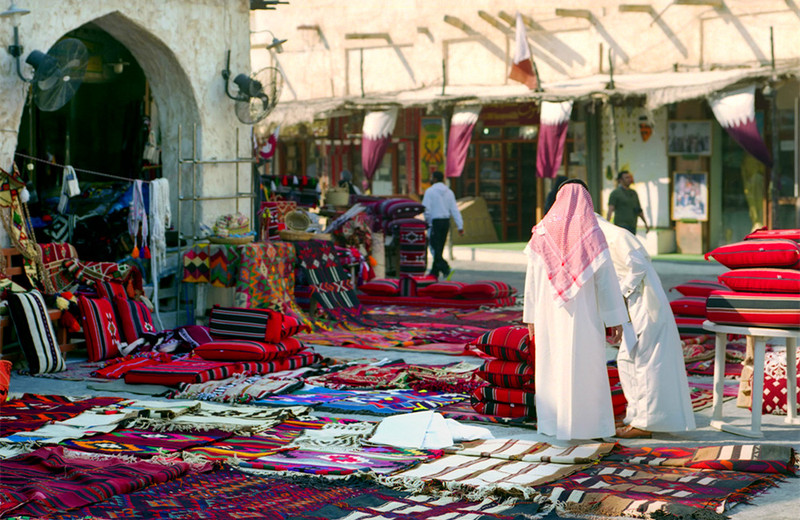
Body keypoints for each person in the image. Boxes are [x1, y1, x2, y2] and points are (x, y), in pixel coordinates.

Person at [523, 179, 628, 441]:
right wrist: (613, 319)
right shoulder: (591, 234)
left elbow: (532, 282)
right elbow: (606, 282)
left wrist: (531, 317)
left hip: (549, 316)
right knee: (586, 368)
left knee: (552, 365)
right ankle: (589, 427)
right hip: (585, 317)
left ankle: (554, 424)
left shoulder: (542, 233)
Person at [596, 214, 696, 439]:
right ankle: (635, 416)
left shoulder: (618, 236)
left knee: (645, 362)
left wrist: (620, 295)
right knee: (626, 360)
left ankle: (646, 423)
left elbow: (638, 265)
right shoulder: (602, 241)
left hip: (645, 304)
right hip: (632, 306)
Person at [422, 170, 463, 280]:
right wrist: (460, 225)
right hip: (446, 222)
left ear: (434, 179)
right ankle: (434, 273)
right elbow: (454, 210)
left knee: (435, 248)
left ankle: (445, 269)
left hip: (435, 221)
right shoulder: (449, 192)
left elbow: (426, 209)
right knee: (439, 247)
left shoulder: (430, 192)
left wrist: (428, 223)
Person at [607, 170, 649, 235]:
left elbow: (639, 210)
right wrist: (607, 225)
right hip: (621, 226)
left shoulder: (633, 193)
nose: (629, 179)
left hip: (632, 226)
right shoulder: (615, 193)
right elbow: (610, 209)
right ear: (620, 180)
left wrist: (645, 223)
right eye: (626, 178)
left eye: (629, 177)